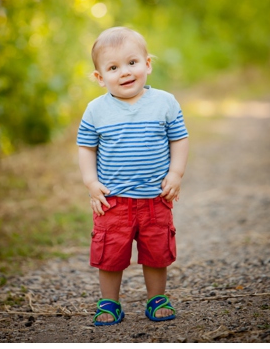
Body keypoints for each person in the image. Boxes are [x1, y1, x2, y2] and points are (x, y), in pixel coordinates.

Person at [77, 26, 189, 325]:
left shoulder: (165, 103)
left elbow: (179, 139)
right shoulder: (96, 110)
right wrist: (91, 183)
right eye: (113, 68)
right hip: (113, 201)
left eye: (132, 62)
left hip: (155, 198)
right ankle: (109, 302)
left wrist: (176, 173)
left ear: (147, 64)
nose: (125, 72)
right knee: (110, 254)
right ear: (100, 77)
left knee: (156, 251)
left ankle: (157, 297)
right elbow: (86, 148)